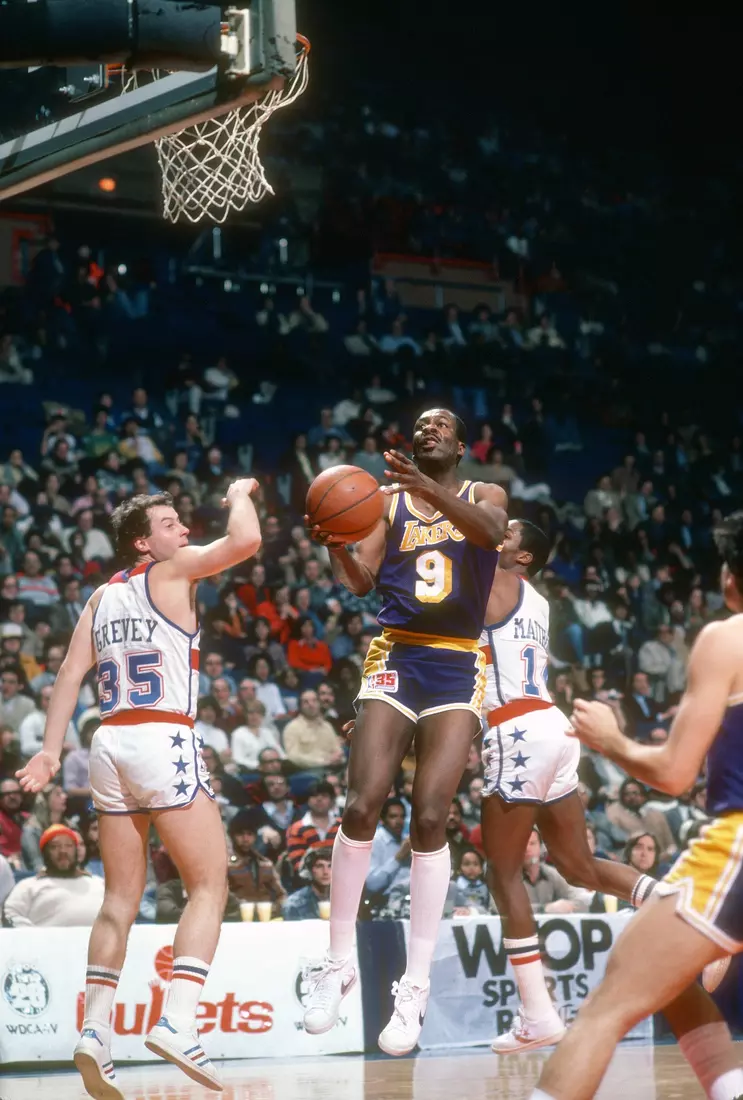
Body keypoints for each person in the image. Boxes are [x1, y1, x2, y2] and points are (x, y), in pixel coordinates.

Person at [16, 484, 262, 1098]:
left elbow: (70, 674)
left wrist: (51, 752)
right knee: (209, 882)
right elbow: (248, 540)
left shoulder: (100, 597)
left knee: (120, 899)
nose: (182, 530)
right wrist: (238, 493)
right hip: (162, 737)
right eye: (169, 523)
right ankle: (179, 1018)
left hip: (106, 745)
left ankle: (94, 1031)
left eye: (181, 523)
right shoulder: (174, 569)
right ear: (143, 542)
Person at [303, 408, 506, 1055]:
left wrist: (425, 488)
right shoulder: (384, 502)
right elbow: (362, 581)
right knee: (361, 803)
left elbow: (493, 534)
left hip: (455, 660)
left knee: (429, 818)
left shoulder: (481, 495)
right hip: (395, 654)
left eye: (442, 423)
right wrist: (336, 540)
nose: (429, 428)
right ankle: (338, 964)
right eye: (420, 423)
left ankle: (414, 985)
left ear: (462, 441)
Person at [528, 511, 743, 1100]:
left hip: (739, 845)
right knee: (671, 980)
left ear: (731, 577)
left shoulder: (728, 636)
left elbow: (675, 774)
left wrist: (613, 742)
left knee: (608, 1005)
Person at [479, 520, 658, 1054]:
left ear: (524, 556)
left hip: (516, 727)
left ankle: (538, 1013)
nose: (498, 532)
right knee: (577, 865)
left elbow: (468, 534)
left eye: (508, 533)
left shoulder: (501, 578)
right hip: (553, 727)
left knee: (502, 871)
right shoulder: (535, 599)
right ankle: (669, 900)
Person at [3, 823, 106, 927]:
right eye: (55, 846)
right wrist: (34, 936)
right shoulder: (28, 886)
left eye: (69, 846)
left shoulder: (99, 883)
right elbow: (11, 914)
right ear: (45, 853)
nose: (63, 851)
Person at [283, 848, 332, 921]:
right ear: (310, 870)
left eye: (330, 866)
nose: (325, 872)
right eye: (319, 866)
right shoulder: (294, 903)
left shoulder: (346, 900)